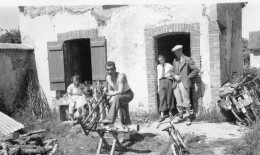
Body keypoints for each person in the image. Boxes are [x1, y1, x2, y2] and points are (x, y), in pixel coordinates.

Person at [171, 45, 199, 126]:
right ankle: (180, 116)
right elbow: (172, 71)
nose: (174, 54)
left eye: (175, 52)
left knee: (186, 100)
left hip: (184, 83)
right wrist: (175, 76)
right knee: (178, 100)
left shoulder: (188, 59)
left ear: (180, 50)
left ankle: (187, 117)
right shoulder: (175, 60)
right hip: (176, 83)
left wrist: (187, 77)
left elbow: (196, 69)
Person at [102, 61, 134, 125]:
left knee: (117, 98)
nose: (110, 71)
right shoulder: (107, 77)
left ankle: (110, 119)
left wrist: (109, 94)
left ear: (115, 69)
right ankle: (128, 126)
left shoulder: (121, 76)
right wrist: (106, 94)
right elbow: (110, 90)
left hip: (128, 94)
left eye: (111, 69)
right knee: (124, 113)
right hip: (120, 96)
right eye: (108, 70)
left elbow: (120, 91)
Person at [156, 54, 175, 122]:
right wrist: (158, 87)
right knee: (162, 97)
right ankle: (162, 115)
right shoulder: (158, 67)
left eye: (161, 60)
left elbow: (174, 73)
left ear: (164, 59)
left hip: (168, 81)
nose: (160, 62)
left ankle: (170, 113)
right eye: (159, 61)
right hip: (161, 81)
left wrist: (171, 78)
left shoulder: (169, 65)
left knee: (169, 96)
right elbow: (158, 76)